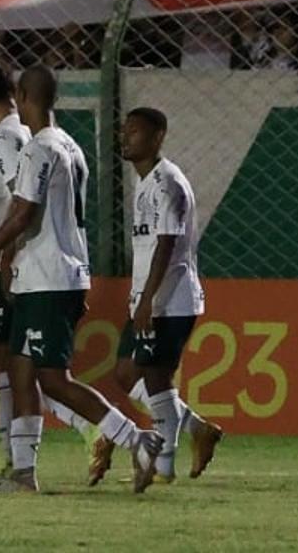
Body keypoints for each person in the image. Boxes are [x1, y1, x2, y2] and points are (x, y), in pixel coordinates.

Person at [0, 66, 164, 495]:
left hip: (47, 275)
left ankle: (136, 440)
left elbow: (22, 213)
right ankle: (23, 474)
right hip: (60, 273)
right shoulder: (70, 145)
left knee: (52, 378)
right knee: (22, 368)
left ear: (26, 95)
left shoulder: (38, 149)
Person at [0, 59, 96, 484]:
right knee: (13, 362)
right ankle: (20, 463)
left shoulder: (6, 140)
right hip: (37, 262)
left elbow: (19, 208)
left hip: (21, 263)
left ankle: (89, 432)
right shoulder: (37, 136)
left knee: (16, 364)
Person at [92, 107, 223, 484]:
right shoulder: (146, 182)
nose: (125, 138)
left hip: (171, 299)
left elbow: (167, 246)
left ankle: (161, 465)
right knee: (124, 372)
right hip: (149, 298)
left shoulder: (169, 183)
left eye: (134, 132)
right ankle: (198, 429)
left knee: (156, 379)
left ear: (157, 138)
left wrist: (149, 299)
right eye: (123, 131)